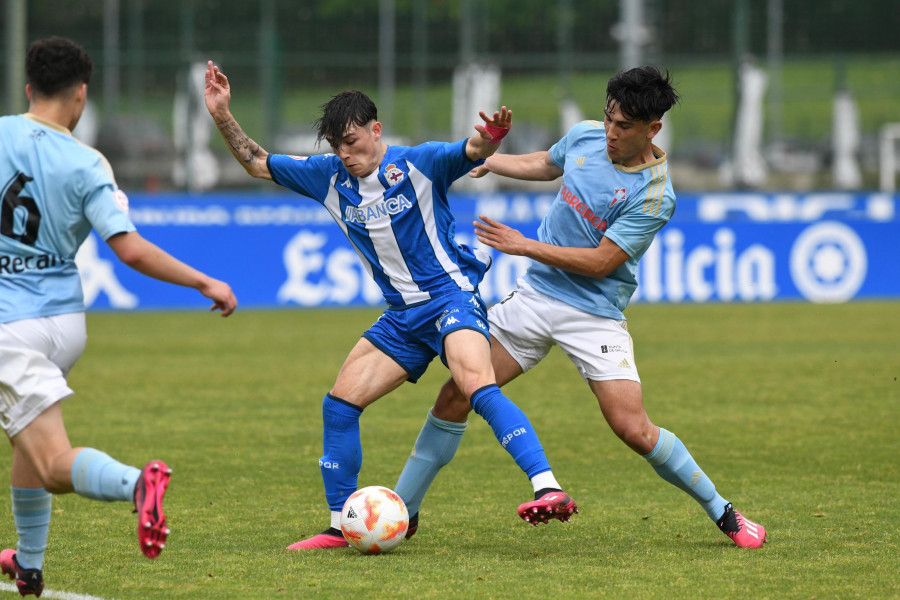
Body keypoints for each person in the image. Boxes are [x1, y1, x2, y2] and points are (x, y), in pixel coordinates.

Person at [204, 60, 577, 550]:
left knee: (474, 386)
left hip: (450, 299)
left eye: (353, 142)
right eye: (338, 146)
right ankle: (341, 525)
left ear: (376, 130)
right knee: (339, 405)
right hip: (401, 318)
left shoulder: (420, 163)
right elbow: (257, 162)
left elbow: (471, 150)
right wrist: (221, 114)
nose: (346, 154)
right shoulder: (328, 177)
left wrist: (492, 138)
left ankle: (547, 487)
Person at [394, 66, 768, 549]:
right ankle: (404, 512)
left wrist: (523, 245)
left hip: (593, 314)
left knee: (633, 429)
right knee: (456, 394)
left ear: (653, 129)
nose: (612, 132)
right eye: (609, 119)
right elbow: (548, 164)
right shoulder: (586, 137)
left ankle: (724, 513)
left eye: (626, 126)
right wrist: (489, 161)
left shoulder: (656, 195)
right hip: (534, 300)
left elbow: (600, 262)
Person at [0, 37, 238, 597]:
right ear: (81, 94)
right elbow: (128, 249)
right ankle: (29, 566)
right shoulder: (89, 163)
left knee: (53, 459)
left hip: (9, 327)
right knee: (25, 443)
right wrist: (204, 279)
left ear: (29, 87)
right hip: (63, 326)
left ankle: (138, 486)